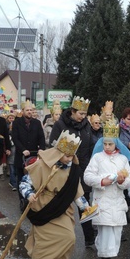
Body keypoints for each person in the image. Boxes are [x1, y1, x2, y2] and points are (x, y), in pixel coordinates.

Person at [19, 130, 92, 259]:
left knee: (70, 237)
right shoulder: (41, 164)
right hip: (44, 209)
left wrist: (85, 206)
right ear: (58, 152)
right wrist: (29, 194)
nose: (69, 159)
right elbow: (24, 183)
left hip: (63, 209)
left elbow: (75, 190)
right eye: (66, 156)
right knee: (44, 242)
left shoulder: (72, 168)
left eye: (71, 156)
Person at [84, 119, 130, 259]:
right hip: (103, 199)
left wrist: (122, 181)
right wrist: (101, 181)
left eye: (110, 144)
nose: (107, 147)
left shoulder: (123, 159)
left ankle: (110, 254)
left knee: (116, 230)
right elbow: (88, 176)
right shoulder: (97, 158)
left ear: (116, 144)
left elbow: (129, 179)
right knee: (105, 229)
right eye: (105, 144)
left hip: (117, 200)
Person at [50, 96, 96, 247]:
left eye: (84, 114)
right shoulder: (60, 124)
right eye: (80, 114)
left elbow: (90, 146)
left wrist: (89, 165)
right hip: (65, 169)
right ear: (72, 111)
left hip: (82, 168)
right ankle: (59, 239)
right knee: (63, 204)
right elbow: (53, 147)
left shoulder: (86, 125)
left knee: (84, 204)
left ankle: (89, 238)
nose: (83, 117)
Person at [12, 101, 46, 194]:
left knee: (33, 180)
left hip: (34, 155)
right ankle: (22, 200)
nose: (30, 112)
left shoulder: (37, 123)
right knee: (21, 179)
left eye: (31, 110)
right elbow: (15, 138)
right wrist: (23, 149)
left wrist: (41, 149)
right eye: (27, 110)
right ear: (23, 111)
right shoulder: (16, 123)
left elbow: (41, 137)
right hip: (21, 155)